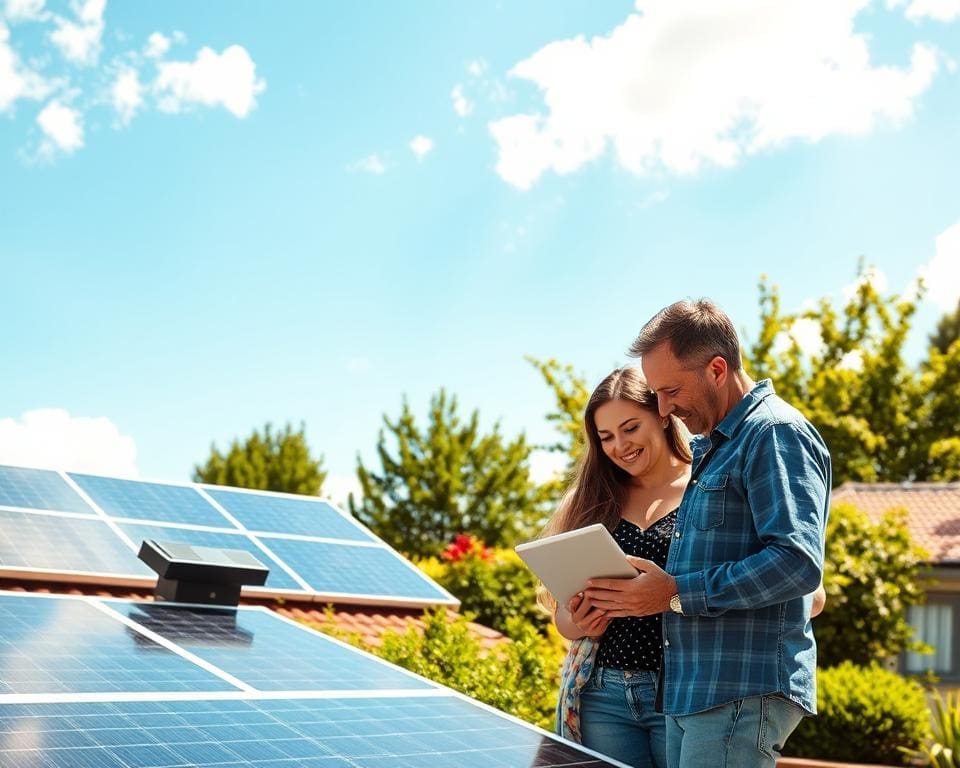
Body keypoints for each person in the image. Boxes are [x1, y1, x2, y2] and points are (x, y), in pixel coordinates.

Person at [584, 299, 831, 768]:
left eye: (671, 389)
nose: (664, 407)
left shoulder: (773, 433)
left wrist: (674, 592)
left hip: (739, 688)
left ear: (717, 369)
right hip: (696, 691)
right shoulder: (715, 449)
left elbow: (797, 562)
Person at [541, 366, 693, 768]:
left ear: (662, 415)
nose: (619, 445)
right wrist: (580, 622)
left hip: (682, 691)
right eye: (605, 437)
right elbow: (563, 618)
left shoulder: (706, 487)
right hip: (601, 693)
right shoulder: (591, 497)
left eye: (630, 428)